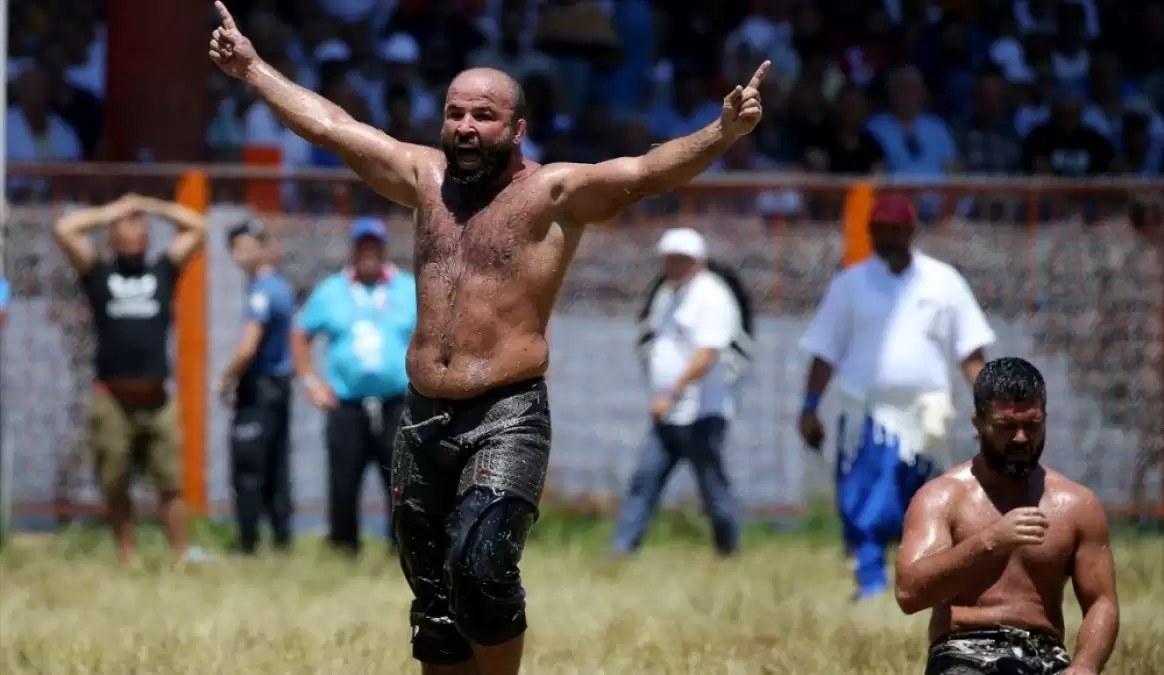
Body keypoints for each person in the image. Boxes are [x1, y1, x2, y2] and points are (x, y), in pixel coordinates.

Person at [210, 1, 769, 671]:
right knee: (434, 604)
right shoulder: (424, 179)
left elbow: (645, 173)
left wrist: (722, 132)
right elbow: (333, 128)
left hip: (506, 413)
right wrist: (253, 69)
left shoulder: (553, 194)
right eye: (455, 114)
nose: (466, 127)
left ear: (517, 128)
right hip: (423, 414)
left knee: (481, 568)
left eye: (484, 115)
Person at [798, 194, 995, 600]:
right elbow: (825, 351)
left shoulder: (943, 281)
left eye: (892, 229)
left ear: (910, 231)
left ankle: (926, 584)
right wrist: (809, 406)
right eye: (877, 229)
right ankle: (870, 582)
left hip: (926, 415)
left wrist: (988, 404)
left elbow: (970, 351)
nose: (884, 237)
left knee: (924, 502)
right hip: (865, 413)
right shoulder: (850, 284)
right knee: (863, 499)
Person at [896, 357, 1120, 675]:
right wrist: (990, 542)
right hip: (963, 653)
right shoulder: (942, 497)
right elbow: (909, 593)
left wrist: (1084, 666)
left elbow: (1102, 602)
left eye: (1032, 425)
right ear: (978, 423)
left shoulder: (1076, 504)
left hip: (1044, 655)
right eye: (1006, 427)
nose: (1021, 438)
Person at [52, 193, 207, 564]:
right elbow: (64, 229)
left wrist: (150, 205)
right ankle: (127, 557)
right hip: (113, 400)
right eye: (125, 224)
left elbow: (199, 227)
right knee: (115, 482)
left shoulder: (162, 271)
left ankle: (181, 555)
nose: (133, 230)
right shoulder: (99, 273)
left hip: (157, 400)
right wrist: (111, 211)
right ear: (112, 235)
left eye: (139, 225)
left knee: (170, 483)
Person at [611, 228, 745, 557]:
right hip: (668, 414)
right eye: (669, 259)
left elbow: (708, 353)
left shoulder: (711, 296)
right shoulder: (667, 295)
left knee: (712, 488)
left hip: (701, 412)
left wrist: (672, 391)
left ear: (698, 262)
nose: (673, 265)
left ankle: (728, 550)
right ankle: (622, 550)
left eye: (681, 259)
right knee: (644, 480)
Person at [291, 218, 416, 555]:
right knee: (343, 478)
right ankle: (344, 546)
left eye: (374, 245)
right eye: (363, 246)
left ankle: (402, 546)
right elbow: (300, 333)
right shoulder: (332, 290)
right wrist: (312, 382)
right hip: (347, 403)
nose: (368, 253)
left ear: (384, 248)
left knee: (401, 478)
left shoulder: (406, 288)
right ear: (354, 249)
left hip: (396, 401)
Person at [218, 219, 296, 555]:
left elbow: (248, 346)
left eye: (245, 246)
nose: (239, 254)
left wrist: (225, 380)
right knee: (277, 464)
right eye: (234, 248)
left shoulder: (263, 291)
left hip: (261, 387)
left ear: (262, 247)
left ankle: (248, 542)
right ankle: (281, 541)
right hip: (278, 387)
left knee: (249, 466)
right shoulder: (277, 286)